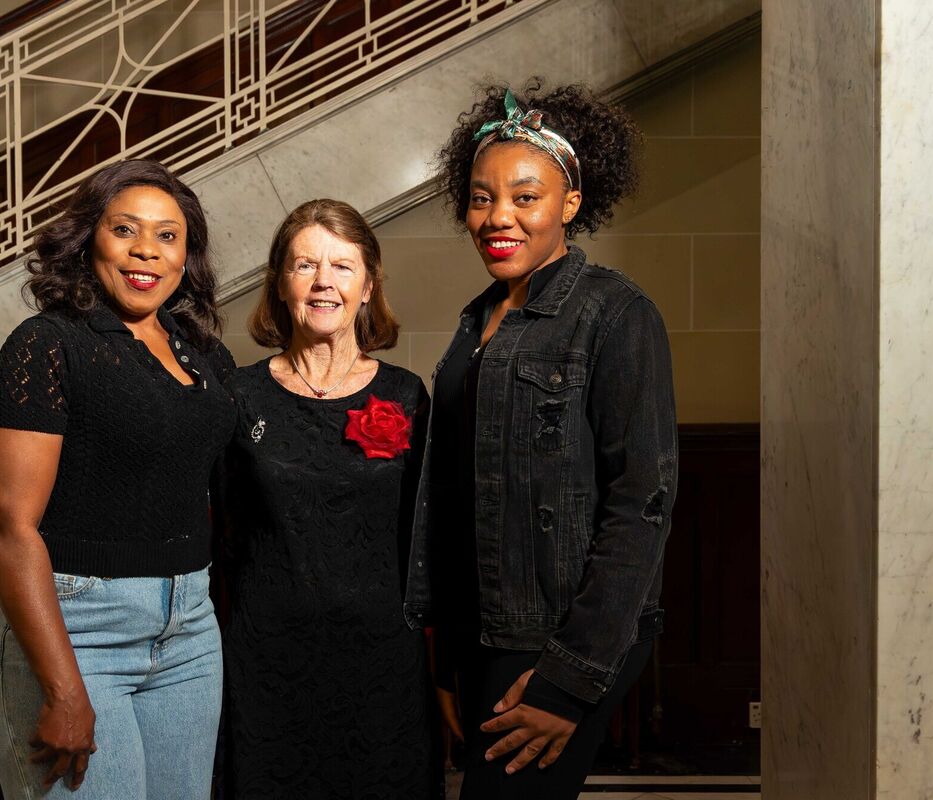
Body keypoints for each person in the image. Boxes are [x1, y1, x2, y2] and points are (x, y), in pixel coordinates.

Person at [404, 82, 678, 799]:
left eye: (525, 197)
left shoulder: (616, 315)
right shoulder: (476, 322)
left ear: (570, 204)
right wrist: (444, 660)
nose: (499, 217)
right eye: (481, 197)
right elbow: (460, 502)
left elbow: (641, 505)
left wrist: (570, 678)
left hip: (556, 637)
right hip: (478, 634)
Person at [0, 159, 236, 798]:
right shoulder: (47, 345)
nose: (146, 249)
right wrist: (64, 689)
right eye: (126, 229)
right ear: (90, 238)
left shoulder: (202, 353)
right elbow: (8, 528)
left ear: (187, 257)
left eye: (167, 236)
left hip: (190, 630)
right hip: (77, 629)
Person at [222, 199, 437, 798]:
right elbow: (219, 530)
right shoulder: (239, 395)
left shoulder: (407, 394)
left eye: (343, 267)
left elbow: (427, 538)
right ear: (280, 284)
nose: (324, 282)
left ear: (368, 286)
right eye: (305, 266)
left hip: (381, 660)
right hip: (266, 659)